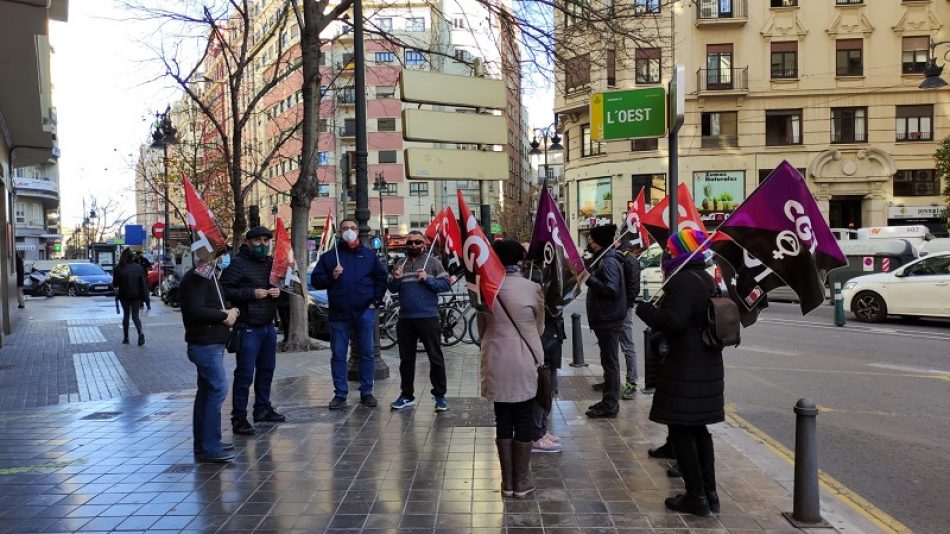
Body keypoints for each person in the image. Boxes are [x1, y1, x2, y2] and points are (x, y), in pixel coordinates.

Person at [636, 229, 724, 517]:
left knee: (682, 430)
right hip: (704, 364)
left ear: (681, 252)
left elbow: (673, 321)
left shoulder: (684, 279)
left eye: (671, 250)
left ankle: (696, 497)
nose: (668, 255)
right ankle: (709, 494)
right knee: (699, 430)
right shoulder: (705, 276)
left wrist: (647, 313)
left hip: (687, 365)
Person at [479, 238, 544, 498]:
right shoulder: (532, 288)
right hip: (524, 358)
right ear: (520, 259)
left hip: (495, 357)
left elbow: (481, 328)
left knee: (502, 417)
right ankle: (522, 481)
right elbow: (538, 327)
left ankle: (507, 483)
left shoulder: (485, 288)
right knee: (524, 417)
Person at [311, 218, 388, 410]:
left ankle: (367, 392)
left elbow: (381, 278)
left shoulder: (369, 255)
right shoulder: (329, 257)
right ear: (339, 232)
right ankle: (340, 394)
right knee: (338, 354)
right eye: (345, 228)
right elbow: (316, 281)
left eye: (353, 228)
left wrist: (375, 301)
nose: (349, 231)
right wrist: (332, 276)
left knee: (367, 353)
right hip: (339, 314)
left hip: (364, 312)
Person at [220, 226, 286, 436]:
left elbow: (285, 290)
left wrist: (278, 292)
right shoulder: (238, 264)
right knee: (245, 374)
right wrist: (251, 293)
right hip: (248, 328)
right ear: (248, 243)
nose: (262, 245)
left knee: (267, 370)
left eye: (266, 241)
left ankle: (262, 409)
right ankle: (239, 418)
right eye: (257, 241)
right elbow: (224, 290)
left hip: (268, 327)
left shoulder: (271, 264)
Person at [179, 259, 241, 463]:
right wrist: (224, 316)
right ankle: (210, 446)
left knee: (207, 392)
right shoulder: (200, 275)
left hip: (211, 344)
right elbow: (195, 310)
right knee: (216, 390)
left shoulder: (210, 275)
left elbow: (214, 303)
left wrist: (231, 311)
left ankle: (205, 443)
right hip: (205, 345)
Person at [388, 231, 453, 412]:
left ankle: (440, 396)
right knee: (406, 360)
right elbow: (392, 287)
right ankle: (406, 395)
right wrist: (396, 278)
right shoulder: (400, 263)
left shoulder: (433, 263)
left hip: (428, 317)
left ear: (424, 244)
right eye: (410, 242)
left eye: (418, 242)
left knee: (435, 357)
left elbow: (446, 285)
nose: (414, 245)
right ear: (406, 245)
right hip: (406, 319)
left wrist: (428, 279)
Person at [584, 224, 627, 418]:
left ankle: (610, 405)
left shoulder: (608, 261)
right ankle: (608, 400)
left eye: (592, 239)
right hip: (606, 318)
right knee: (608, 362)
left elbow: (611, 289)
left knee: (611, 363)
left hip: (609, 318)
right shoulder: (603, 259)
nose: (589, 242)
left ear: (599, 241)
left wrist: (588, 279)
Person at [591, 240, 641, 400]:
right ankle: (610, 381)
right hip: (612, 310)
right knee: (609, 349)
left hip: (622, 309)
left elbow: (633, 286)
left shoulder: (628, 259)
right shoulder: (609, 257)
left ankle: (631, 382)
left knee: (627, 346)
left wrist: (625, 305)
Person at [113, 248, 150, 346]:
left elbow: (115, 284)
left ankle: (126, 338)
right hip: (137, 295)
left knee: (126, 315)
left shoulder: (118, 268)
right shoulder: (138, 267)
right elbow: (143, 282)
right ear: (132, 257)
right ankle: (140, 333)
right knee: (135, 316)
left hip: (124, 295)